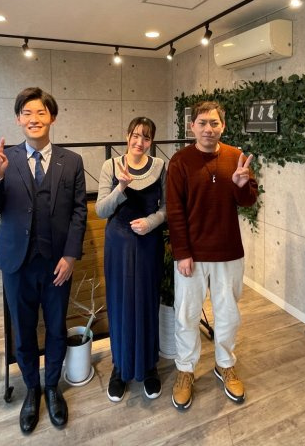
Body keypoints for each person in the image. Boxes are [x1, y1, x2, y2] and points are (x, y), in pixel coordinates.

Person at [0, 87, 87, 433]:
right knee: (24, 331)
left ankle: (52, 386)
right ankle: (32, 389)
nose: (34, 119)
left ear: (52, 117)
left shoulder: (71, 161)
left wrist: (70, 255)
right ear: (18, 119)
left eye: (41, 112)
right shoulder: (4, 159)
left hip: (57, 264)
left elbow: (79, 212)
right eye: (27, 113)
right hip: (17, 264)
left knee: (56, 328)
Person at [166, 100, 258, 410]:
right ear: (191, 126)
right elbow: (175, 210)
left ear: (223, 126)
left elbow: (248, 200)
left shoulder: (235, 157)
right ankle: (185, 369)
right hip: (191, 255)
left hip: (228, 252)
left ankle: (225, 364)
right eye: (202, 123)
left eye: (214, 123)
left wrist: (242, 185)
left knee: (228, 315)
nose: (209, 128)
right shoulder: (180, 161)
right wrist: (182, 252)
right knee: (187, 315)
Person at [95, 117, 166, 402]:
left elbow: (167, 209)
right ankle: (120, 367)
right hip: (118, 246)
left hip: (148, 244)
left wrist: (151, 222)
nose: (140, 142)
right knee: (120, 303)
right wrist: (120, 188)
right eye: (136, 135)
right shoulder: (110, 166)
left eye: (146, 137)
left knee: (147, 303)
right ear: (127, 136)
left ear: (151, 142)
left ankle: (149, 366)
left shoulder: (160, 166)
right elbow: (101, 210)